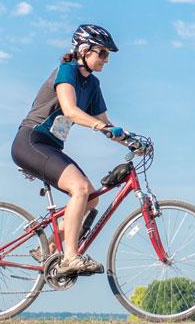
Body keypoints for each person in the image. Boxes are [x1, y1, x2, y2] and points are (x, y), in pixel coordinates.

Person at [11, 24, 126, 277]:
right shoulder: (67, 71)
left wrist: (130, 141)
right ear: (84, 50)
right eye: (102, 53)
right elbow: (71, 110)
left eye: (108, 55)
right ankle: (70, 257)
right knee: (80, 189)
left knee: (91, 198)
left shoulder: (92, 84)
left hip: (50, 147)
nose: (106, 60)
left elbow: (105, 123)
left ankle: (49, 246)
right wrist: (100, 126)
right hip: (31, 141)